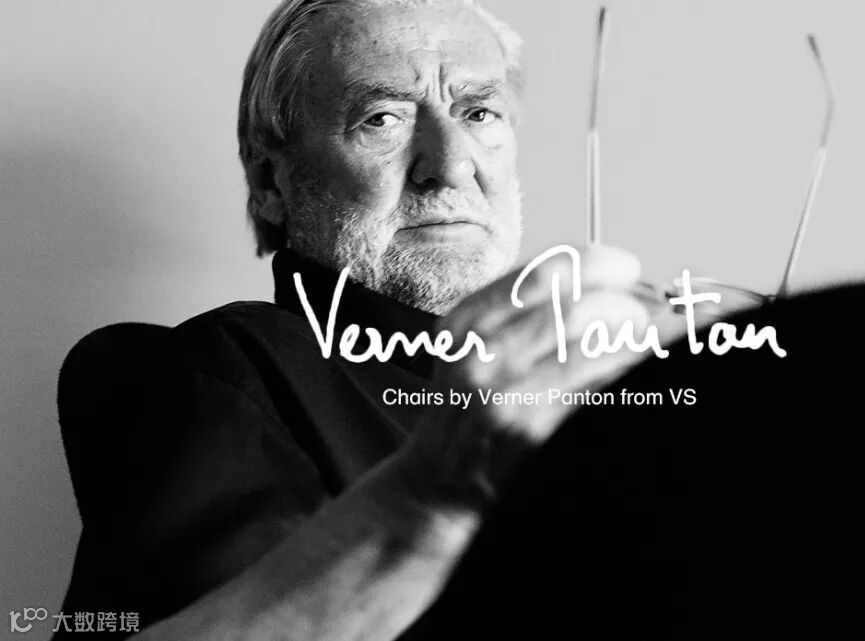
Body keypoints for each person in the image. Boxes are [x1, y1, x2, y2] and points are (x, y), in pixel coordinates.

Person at [56, 1, 658, 639]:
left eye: (478, 113)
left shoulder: (606, 389)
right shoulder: (208, 371)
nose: (451, 165)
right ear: (271, 183)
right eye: (382, 119)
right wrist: (429, 498)